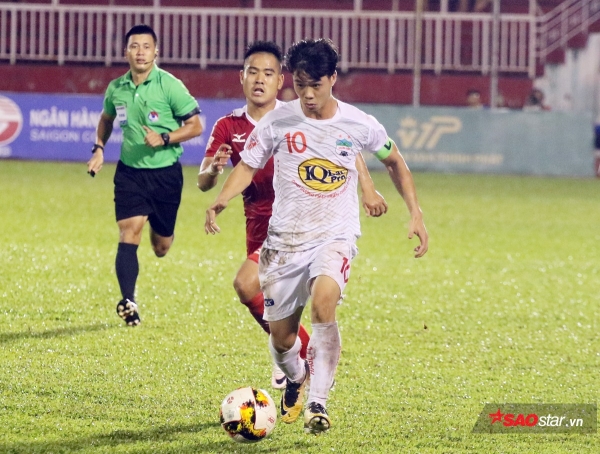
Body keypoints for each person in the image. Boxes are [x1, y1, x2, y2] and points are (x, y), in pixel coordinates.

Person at [204, 38, 428, 435]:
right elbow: (248, 165)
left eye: (316, 85)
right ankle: (295, 375)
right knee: (282, 339)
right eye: (300, 84)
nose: (307, 94)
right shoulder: (278, 121)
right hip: (284, 242)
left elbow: (394, 161)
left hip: (334, 236)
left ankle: (318, 404)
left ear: (333, 79)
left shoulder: (359, 123)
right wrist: (221, 199)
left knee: (324, 302)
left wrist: (415, 212)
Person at [87, 24, 203, 327]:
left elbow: (196, 126)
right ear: (126, 51)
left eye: (146, 46)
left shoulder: (169, 85)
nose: (140, 52)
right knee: (129, 231)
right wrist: (99, 148)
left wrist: (165, 138)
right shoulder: (117, 88)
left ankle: (161, 232)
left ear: (156, 52)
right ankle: (128, 301)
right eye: (134, 46)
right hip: (130, 173)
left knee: (161, 247)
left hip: (166, 175)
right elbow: (106, 119)